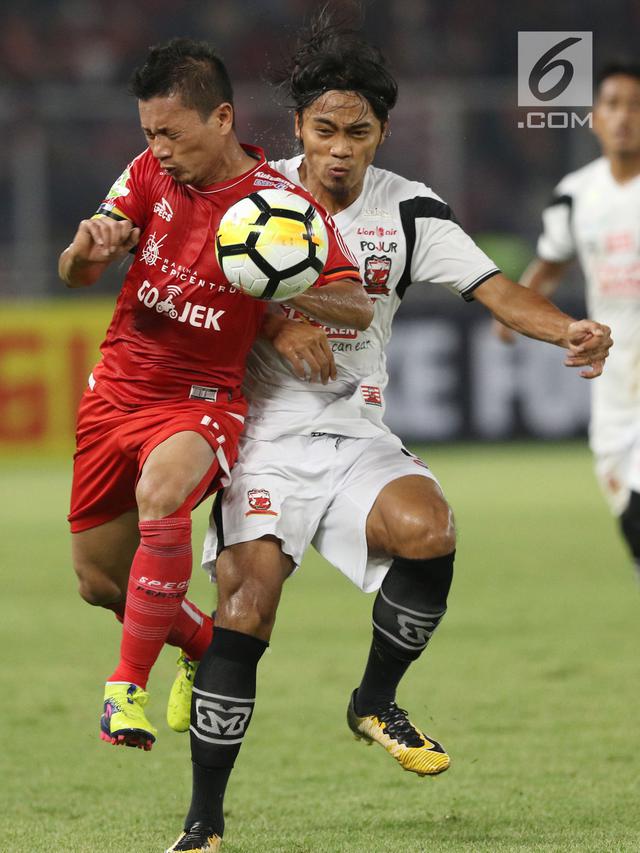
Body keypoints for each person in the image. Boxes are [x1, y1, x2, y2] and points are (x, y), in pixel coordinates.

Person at [165, 22, 613, 853]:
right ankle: (203, 824)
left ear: (384, 134)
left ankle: (374, 698)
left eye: (359, 132)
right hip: (261, 436)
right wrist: (270, 326)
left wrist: (568, 331)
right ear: (298, 127)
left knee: (431, 527)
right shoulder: (251, 196)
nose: (341, 150)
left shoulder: (408, 211)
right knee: (248, 611)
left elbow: (496, 287)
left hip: (352, 430)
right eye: (325, 130)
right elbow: (186, 284)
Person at [58, 36, 372, 752]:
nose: (158, 147)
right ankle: (202, 647)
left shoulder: (281, 209)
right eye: (148, 133)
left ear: (222, 118)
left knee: (162, 496)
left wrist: (284, 290)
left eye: (170, 131)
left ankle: (122, 692)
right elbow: (75, 272)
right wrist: (86, 251)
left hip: (200, 398)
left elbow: (354, 304)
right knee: (99, 583)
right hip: (116, 392)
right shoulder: (145, 175)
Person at [495, 62, 640, 579]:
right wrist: (513, 309)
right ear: (594, 117)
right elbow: (552, 263)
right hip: (616, 382)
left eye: (635, 105)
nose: (625, 117)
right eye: (614, 104)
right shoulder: (578, 194)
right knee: (629, 516)